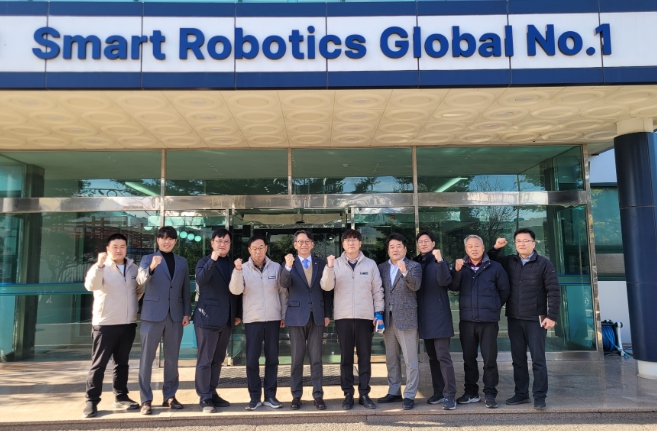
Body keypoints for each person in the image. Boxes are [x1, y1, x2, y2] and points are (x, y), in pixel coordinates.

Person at [488, 228, 561, 410]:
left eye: (526, 240)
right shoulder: (510, 261)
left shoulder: (544, 263)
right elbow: (489, 260)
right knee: (518, 359)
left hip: (536, 319)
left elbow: (553, 290)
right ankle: (521, 394)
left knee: (538, 360)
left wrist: (552, 316)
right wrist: (496, 247)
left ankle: (540, 396)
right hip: (514, 318)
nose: (522, 244)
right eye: (518, 241)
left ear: (533, 243)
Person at [320, 228, 384, 411]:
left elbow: (377, 290)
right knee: (346, 358)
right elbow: (326, 286)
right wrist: (329, 267)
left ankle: (364, 393)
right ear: (343, 244)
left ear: (360, 243)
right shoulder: (335, 264)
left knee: (365, 357)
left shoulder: (370, 264)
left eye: (354, 240)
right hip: (344, 317)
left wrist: (378, 312)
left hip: (365, 317)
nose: (351, 243)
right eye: (347, 240)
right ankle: (348, 393)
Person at [82, 233, 144, 418]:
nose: (119, 250)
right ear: (108, 249)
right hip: (105, 323)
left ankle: (121, 396)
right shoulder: (100, 267)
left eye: (122, 246)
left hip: (127, 323)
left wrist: (130, 307)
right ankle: (91, 401)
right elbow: (91, 286)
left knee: (122, 363)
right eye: (115, 247)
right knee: (99, 364)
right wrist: (99, 265)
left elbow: (139, 289)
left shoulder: (133, 268)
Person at [450, 235, 510, 409]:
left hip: (488, 321)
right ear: (466, 249)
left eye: (477, 246)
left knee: (489, 359)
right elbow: (453, 287)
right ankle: (471, 392)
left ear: (483, 248)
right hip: (467, 321)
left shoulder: (495, 267)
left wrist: (494, 306)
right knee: (469, 359)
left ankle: (490, 393)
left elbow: (505, 290)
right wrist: (457, 271)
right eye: (470, 246)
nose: (474, 249)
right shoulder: (461, 266)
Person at [136, 226, 191, 415]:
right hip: (152, 315)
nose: (166, 241)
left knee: (172, 358)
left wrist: (186, 312)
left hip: (175, 316)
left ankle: (170, 396)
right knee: (147, 358)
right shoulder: (147, 259)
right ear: (157, 240)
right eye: (163, 238)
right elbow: (140, 280)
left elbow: (185, 289)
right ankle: (145, 399)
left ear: (175, 241)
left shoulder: (182, 262)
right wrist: (151, 267)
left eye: (170, 239)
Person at [229, 235, 288, 411]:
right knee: (252, 360)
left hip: (272, 318)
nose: (258, 251)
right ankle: (254, 397)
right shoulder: (242, 268)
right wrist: (237, 271)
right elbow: (235, 290)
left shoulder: (276, 267)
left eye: (261, 247)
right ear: (249, 250)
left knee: (272, 359)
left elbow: (282, 292)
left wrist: (283, 314)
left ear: (266, 248)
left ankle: (270, 396)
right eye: (254, 248)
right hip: (252, 319)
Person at [279, 230, 333, 411]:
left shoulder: (321, 263)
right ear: (295, 245)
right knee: (296, 358)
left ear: (312, 244)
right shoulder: (288, 263)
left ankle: (318, 395)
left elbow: (327, 290)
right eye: (300, 241)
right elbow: (284, 284)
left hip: (317, 315)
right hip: (296, 316)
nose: (304, 244)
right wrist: (287, 267)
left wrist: (327, 313)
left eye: (307, 241)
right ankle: (296, 396)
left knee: (316, 358)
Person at [193, 228, 242, 413]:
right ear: (212, 243)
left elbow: (237, 292)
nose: (222, 244)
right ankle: (204, 397)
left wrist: (238, 314)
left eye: (226, 241)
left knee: (218, 359)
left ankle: (212, 392)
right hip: (207, 318)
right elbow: (201, 280)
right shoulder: (204, 262)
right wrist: (212, 260)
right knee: (205, 360)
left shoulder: (231, 264)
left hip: (226, 319)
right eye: (219, 241)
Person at [376, 233, 422, 410]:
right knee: (391, 358)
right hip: (387, 319)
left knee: (410, 360)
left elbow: (416, 286)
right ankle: (394, 391)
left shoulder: (414, 266)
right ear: (388, 250)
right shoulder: (381, 267)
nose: (395, 249)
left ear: (405, 249)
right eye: (392, 247)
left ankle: (409, 394)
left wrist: (404, 272)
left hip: (407, 318)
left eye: (398, 246)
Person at [414, 231, 457, 410]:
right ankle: (438, 391)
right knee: (432, 357)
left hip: (439, 317)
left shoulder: (440, 261)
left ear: (433, 243)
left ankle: (450, 395)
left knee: (443, 357)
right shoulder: (416, 262)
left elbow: (445, 281)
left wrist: (440, 261)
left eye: (427, 241)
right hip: (424, 317)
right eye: (420, 241)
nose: (423, 244)